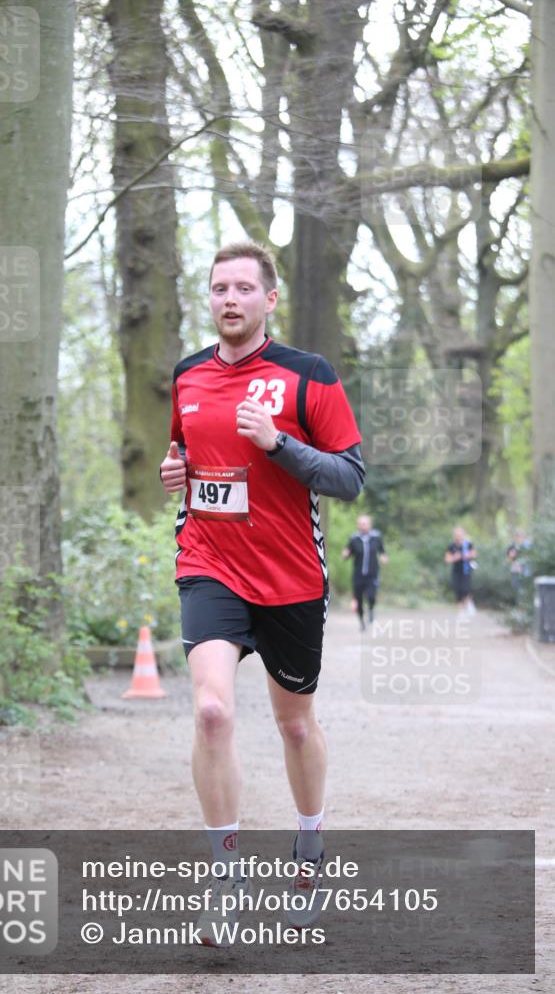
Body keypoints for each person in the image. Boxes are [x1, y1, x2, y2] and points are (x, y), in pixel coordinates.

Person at [159, 240, 364, 945]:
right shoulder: (187, 375)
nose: (230, 299)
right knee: (212, 711)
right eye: (220, 288)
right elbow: (186, 455)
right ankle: (226, 878)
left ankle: (308, 854)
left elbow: (349, 477)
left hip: (289, 576)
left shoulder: (309, 375)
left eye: (244, 288)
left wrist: (279, 444)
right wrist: (176, 473)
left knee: (295, 725)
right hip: (209, 562)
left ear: (269, 299)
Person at [341, 515, 388, 630]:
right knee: (358, 600)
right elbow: (348, 552)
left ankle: (371, 609)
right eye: (361, 524)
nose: (363, 526)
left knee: (371, 596)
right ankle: (361, 621)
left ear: (370, 525)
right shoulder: (354, 539)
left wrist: (384, 557)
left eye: (365, 524)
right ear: (358, 525)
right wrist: (345, 554)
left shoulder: (376, 537)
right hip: (358, 575)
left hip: (372, 574)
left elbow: (382, 551)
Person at [444, 526, 477, 616]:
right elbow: (447, 559)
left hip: (466, 570)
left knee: (465, 589)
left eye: (460, 535)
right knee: (457, 590)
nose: (458, 537)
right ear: (453, 535)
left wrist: (466, 555)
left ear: (463, 535)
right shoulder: (451, 546)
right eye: (456, 535)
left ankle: (469, 603)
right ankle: (461, 611)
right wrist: (455, 557)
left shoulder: (468, 544)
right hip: (456, 571)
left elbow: (474, 554)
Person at [506, 528, 532, 598]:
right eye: (517, 536)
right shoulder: (513, 545)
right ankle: (519, 602)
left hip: (525, 571)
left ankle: (524, 601)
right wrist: (512, 556)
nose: (519, 538)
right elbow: (509, 558)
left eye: (521, 536)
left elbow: (530, 557)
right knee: (516, 587)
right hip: (515, 569)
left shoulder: (528, 545)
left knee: (525, 588)